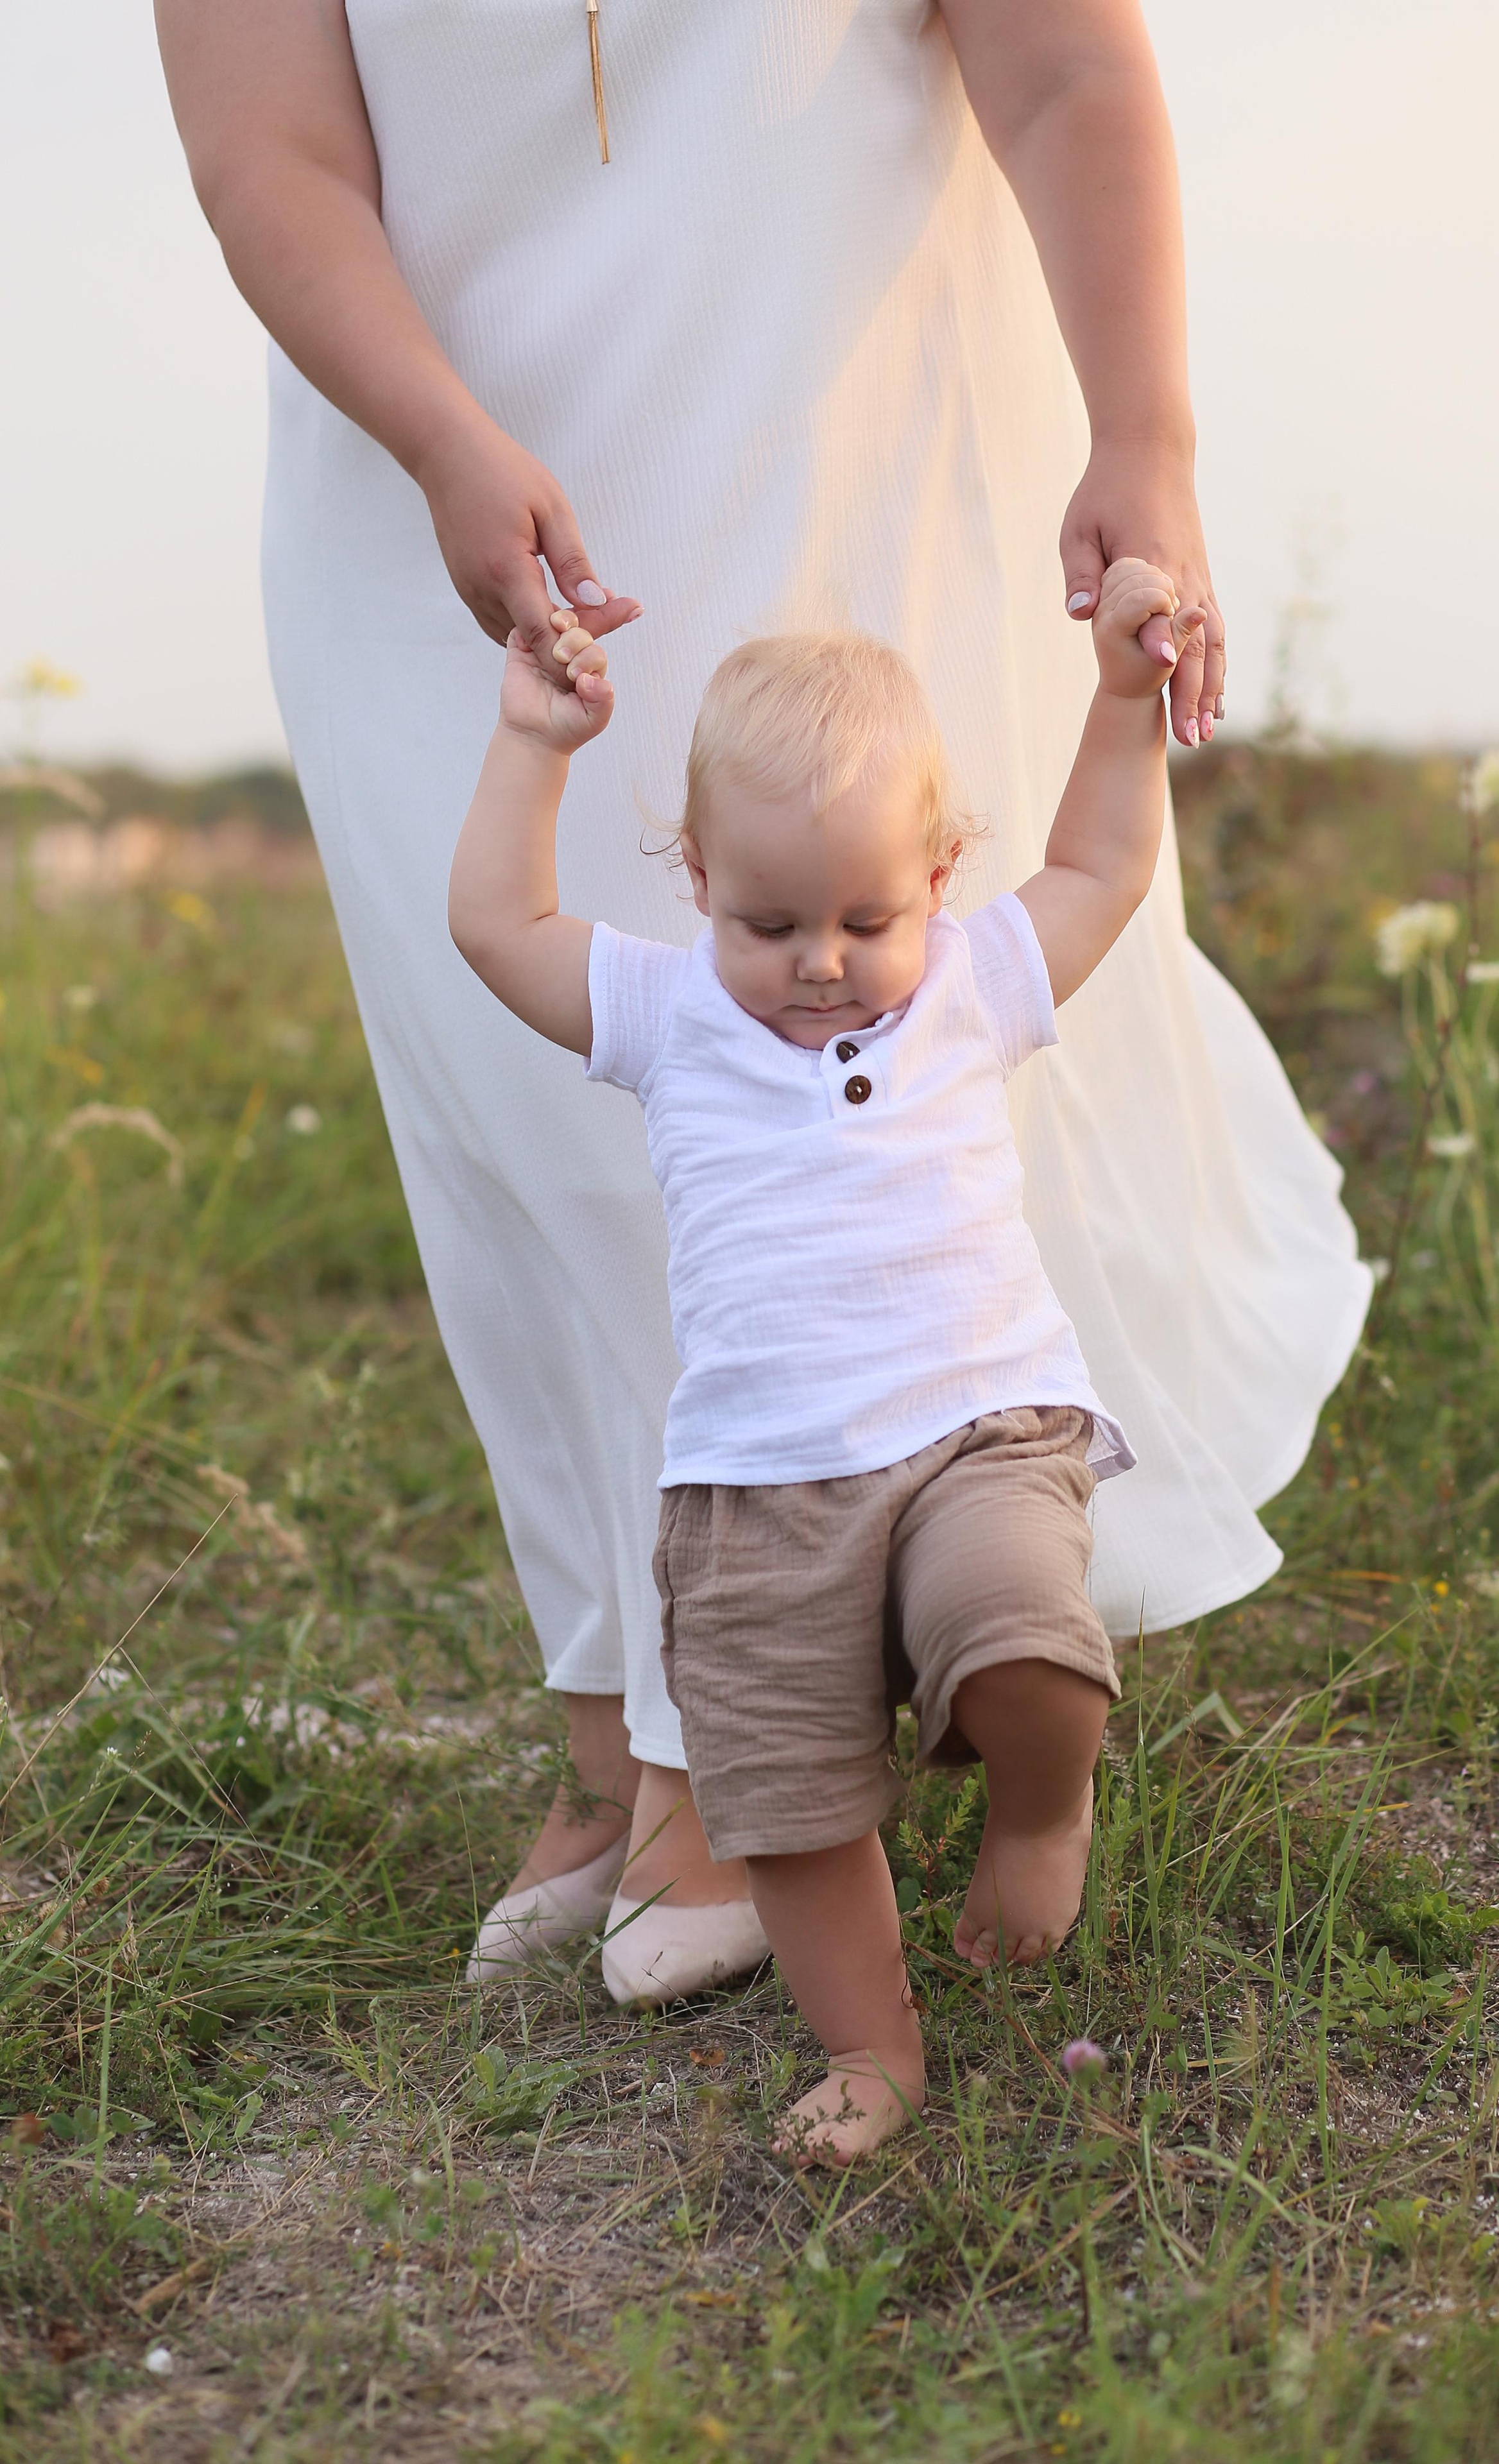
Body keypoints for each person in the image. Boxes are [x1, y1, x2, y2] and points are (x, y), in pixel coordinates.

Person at [155, 0, 1370, 2003]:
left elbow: (1063, 61)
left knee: (821, 1049)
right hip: (435, 467)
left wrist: (1142, 434)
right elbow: (269, 148)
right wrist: (446, 438)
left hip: (824, 416)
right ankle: (621, 1716)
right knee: (519, 1105)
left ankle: (749, 1724)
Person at [447, 563, 1197, 2159]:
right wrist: (535, 744)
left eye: (869, 917)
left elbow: (1098, 862)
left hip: (979, 1427)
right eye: (767, 921)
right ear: (698, 880)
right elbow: (495, 924)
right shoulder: (665, 1016)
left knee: (1028, 1651)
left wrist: (1123, 698)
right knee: (783, 1805)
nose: (820, 963)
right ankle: (874, 2054)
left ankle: (1038, 1805)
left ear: (937, 877)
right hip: (754, 1485)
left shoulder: (968, 987)